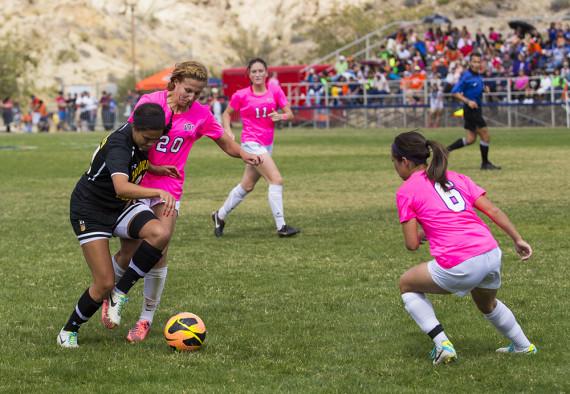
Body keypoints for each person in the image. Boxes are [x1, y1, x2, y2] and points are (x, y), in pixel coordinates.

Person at [105, 60, 262, 343]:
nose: (191, 96)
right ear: (175, 82)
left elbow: (224, 142)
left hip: (169, 186)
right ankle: (111, 295)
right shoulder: (150, 102)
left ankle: (145, 319)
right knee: (128, 251)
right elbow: (128, 137)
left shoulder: (200, 115)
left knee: (159, 249)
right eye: (187, 89)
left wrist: (243, 154)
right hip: (139, 180)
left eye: (197, 93)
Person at [392, 130, 536, 365]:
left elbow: (411, 244)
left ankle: (442, 345)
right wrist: (518, 239)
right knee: (486, 304)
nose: (396, 168)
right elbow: (493, 210)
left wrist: (423, 234)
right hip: (490, 252)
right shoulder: (454, 177)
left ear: (405, 161)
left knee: (406, 283)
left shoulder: (406, 191)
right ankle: (523, 346)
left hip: (460, 262)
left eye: (394, 163)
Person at [57, 103, 179, 348]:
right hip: (90, 210)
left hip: (120, 206)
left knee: (160, 233)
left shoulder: (143, 138)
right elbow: (121, 187)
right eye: (146, 139)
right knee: (103, 282)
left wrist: (156, 168)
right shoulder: (119, 145)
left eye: (155, 140)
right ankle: (68, 331)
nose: (150, 145)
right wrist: (158, 190)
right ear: (135, 127)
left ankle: (120, 294)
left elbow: (137, 162)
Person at [212, 58, 300, 238]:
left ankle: (219, 216)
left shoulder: (275, 91)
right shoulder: (241, 95)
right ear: (249, 75)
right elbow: (226, 114)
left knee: (247, 185)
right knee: (276, 180)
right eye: (254, 72)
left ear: (267, 73)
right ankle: (281, 226)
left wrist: (281, 117)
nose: (258, 74)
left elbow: (290, 114)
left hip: (267, 145)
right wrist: (227, 131)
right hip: (251, 143)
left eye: (261, 71)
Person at [447, 53, 501, 170]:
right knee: (485, 135)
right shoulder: (466, 76)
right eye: (475, 62)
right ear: (470, 63)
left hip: (476, 109)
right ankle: (485, 163)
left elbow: (475, 89)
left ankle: (446, 150)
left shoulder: (478, 76)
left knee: (471, 139)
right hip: (471, 110)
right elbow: (455, 92)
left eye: (478, 61)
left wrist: (484, 89)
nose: (477, 64)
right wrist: (468, 101)